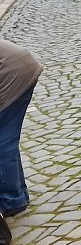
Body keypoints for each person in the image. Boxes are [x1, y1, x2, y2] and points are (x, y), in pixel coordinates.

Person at [0, 39, 43, 219]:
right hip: (20, 66)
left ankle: (11, 200)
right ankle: (18, 195)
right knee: (7, 139)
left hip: (13, 75)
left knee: (2, 143)